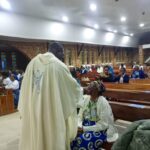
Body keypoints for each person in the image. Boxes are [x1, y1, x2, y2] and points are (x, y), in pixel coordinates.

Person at [18, 42, 82, 150]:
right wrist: (81, 91)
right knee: (52, 136)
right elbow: (73, 88)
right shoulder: (59, 66)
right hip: (52, 111)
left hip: (34, 109)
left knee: (37, 135)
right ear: (57, 51)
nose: (62, 56)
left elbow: (24, 89)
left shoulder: (32, 63)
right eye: (62, 53)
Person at [71, 81, 118, 149]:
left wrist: (84, 129)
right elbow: (80, 115)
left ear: (97, 90)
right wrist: (78, 125)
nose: (88, 88)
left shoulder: (103, 102)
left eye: (91, 87)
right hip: (84, 125)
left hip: (99, 129)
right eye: (89, 86)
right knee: (72, 136)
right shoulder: (86, 98)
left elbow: (104, 124)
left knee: (84, 139)